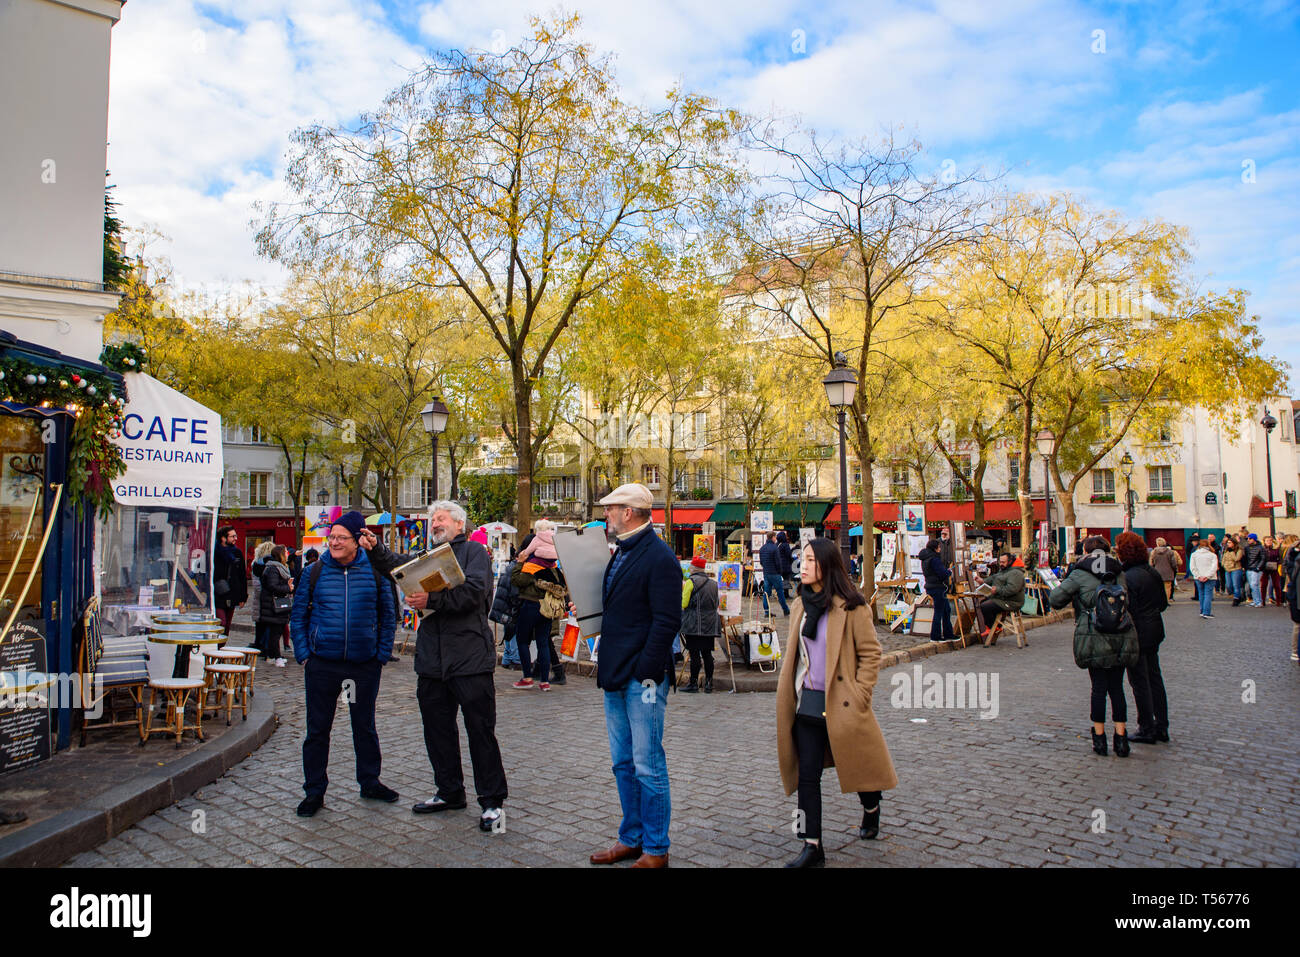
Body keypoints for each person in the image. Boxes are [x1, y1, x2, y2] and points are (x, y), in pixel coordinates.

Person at [377, 501, 508, 831]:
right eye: (433, 518)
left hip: (470, 659)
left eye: (441, 518)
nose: (435, 523)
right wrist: (373, 548)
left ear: (459, 523)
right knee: (437, 731)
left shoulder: (475, 553)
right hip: (432, 662)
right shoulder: (426, 556)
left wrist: (430, 600)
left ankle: (491, 802)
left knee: (480, 731)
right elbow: (397, 565)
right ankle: (449, 791)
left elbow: (476, 595)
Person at [777, 537, 898, 868]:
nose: (803, 565)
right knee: (807, 776)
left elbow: (871, 653)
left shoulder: (853, 607)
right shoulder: (800, 605)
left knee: (857, 766)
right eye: (801, 559)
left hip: (842, 703)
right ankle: (811, 846)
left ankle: (871, 806)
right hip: (806, 704)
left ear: (827, 566)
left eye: (811, 561)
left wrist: (861, 693)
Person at [586, 483, 680, 869]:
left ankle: (656, 849)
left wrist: (645, 671)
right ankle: (632, 837)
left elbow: (667, 621)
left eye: (611, 509)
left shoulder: (659, 557)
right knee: (623, 762)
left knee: (647, 764)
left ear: (629, 512)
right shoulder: (622, 553)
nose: (606, 514)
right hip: (616, 672)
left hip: (642, 679)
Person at [290, 510, 398, 817]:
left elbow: (388, 616)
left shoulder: (376, 572)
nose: (334, 543)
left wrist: (379, 655)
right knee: (317, 730)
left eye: (341, 537)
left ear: (356, 540)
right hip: (322, 664)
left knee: (364, 726)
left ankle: (370, 781)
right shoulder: (314, 571)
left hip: (363, 666)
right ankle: (314, 791)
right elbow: (298, 616)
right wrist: (304, 655)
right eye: (331, 537)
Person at [1048, 537, 1139, 757]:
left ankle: (1099, 739)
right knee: (1117, 687)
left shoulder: (1080, 573)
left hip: (1093, 633)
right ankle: (1121, 738)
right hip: (1120, 632)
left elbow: (1055, 599)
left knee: (1098, 688)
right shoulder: (1118, 571)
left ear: (1086, 552)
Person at [1116, 532, 1169, 744]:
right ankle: (1161, 725)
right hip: (1154, 629)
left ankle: (1146, 726)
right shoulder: (1152, 573)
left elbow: (1127, 607)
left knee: (1139, 680)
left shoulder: (1128, 577)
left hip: (1137, 631)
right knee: (1155, 677)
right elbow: (1163, 604)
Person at [510, 522, 566, 691]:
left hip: (531, 606)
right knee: (543, 642)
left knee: (522, 640)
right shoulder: (554, 567)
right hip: (547, 608)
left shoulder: (531, 566)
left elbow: (517, 580)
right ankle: (544, 681)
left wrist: (520, 563)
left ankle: (527, 677)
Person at [680, 556, 720, 693]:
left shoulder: (690, 582)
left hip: (694, 623)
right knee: (707, 653)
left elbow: (684, 603)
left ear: (693, 568)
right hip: (709, 623)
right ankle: (709, 683)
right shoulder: (713, 584)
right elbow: (717, 603)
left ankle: (693, 683)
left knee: (695, 654)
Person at [973, 552, 1025, 645]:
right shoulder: (1004, 570)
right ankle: (994, 626)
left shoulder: (1016, 573)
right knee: (983, 603)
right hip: (1002, 598)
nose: (1001, 564)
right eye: (1000, 562)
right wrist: (983, 581)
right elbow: (994, 578)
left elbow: (1012, 589)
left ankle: (994, 627)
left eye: (1003, 562)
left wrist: (997, 590)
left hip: (1012, 601)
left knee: (985, 606)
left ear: (1009, 561)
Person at [258, 544, 293, 666]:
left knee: (276, 632)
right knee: (275, 633)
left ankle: (273, 655)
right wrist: (287, 588)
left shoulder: (280, 567)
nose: (288, 553)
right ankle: (276, 656)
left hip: (277, 605)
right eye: (286, 551)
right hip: (273, 605)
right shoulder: (273, 568)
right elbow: (273, 586)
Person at [917, 537, 955, 642]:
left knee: (946, 610)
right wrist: (948, 572)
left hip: (931, 586)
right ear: (935, 548)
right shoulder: (934, 559)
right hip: (937, 587)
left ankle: (948, 634)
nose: (940, 549)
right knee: (939, 612)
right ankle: (935, 636)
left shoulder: (926, 558)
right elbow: (942, 573)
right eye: (939, 547)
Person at [212, 526, 247, 635]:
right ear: (223, 538)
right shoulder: (213, 552)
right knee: (221, 622)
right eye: (232, 536)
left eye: (235, 536)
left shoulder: (237, 553)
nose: (235, 538)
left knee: (227, 626)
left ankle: (220, 648)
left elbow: (242, 575)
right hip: (218, 593)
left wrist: (243, 597)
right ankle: (216, 646)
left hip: (232, 593)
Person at [489, 558, 523, 670]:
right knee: (513, 633)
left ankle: (507, 659)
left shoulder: (508, 568)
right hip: (510, 607)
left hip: (503, 607)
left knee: (508, 633)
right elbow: (515, 593)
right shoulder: (515, 571)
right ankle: (515, 659)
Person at [248, 540, 274, 655]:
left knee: (260, 623)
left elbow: (256, 584)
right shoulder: (272, 565)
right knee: (268, 623)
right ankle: (265, 645)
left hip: (259, 598)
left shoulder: (256, 564)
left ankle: (259, 643)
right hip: (268, 598)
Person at [758, 531, 790, 617]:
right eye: (775, 537)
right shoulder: (775, 548)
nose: (776, 539)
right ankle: (785, 609)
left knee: (766, 593)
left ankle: (766, 611)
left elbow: (761, 562)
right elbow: (778, 562)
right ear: (772, 537)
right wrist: (780, 571)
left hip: (766, 573)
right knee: (780, 592)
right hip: (775, 573)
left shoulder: (762, 548)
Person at [1189, 540, 1218, 619]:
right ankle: (1207, 612)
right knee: (1208, 594)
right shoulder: (1212, 555)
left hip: (1198, 577)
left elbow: (1192, 567)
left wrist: (1198, 576)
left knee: (1201, 594)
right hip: (1210, 578)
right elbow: (1214, 567)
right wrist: (1208, 576)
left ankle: (1202, 611)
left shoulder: (1194, 554)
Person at [1284, 537, 1300, 663]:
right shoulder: (1294, 562)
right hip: (1295, 595)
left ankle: (1295, 651)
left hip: (1293, 594)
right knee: (1297, 625)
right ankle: (1295, 651)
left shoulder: (1292, 561)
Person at [1241, 533, 1266, 608]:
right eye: (1248, 539)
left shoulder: (1260, 548)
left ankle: (1258, 602)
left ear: (1254, 539)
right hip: (1249, 568)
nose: (1248, 540)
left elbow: (1263, 558)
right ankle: (1255, 601)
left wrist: (1258, 567)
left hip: (1256, 569)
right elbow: (1245, 558)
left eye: (1250, 539)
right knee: (1252, 585)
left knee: (1254, 584)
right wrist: (1244, 566)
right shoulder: (1247, 548)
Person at [1220, 536, 1244, 606]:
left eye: (1230, 543)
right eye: (1228, 543)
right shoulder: (1226, 550)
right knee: (1229, 585)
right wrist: (1223, 565)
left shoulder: (1239, 550)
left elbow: (1236, 559)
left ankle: (1236, 598)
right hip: (1227, 569)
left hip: (1236, 569)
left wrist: (1232, 552)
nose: (1228, 544)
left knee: (1236, 584)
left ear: (1234, 543)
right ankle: (1236, 595)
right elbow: (1223, 558)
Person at [1261, 536, 1284, 607]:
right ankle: (1263, 601)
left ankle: (1278, 601)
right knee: (1263, 585)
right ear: (1264, 541)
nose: (1269, 542)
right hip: (1264, 568)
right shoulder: (1262, 549)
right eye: (1267, 540)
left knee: (1276, 585)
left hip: (1274, 567)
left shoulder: (1276, 549)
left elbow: (1280, 558)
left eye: (1270, 540)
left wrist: (1277, 563)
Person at [776, 530, 795, 599]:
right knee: (786, 580)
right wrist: (792, 560)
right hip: (785, 565)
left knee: (779, 580)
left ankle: (779, 593)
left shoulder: (777, 544)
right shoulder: (785, 545)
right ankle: (786, 594)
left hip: (778, 565)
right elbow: (788, 555)